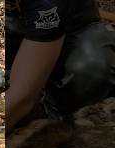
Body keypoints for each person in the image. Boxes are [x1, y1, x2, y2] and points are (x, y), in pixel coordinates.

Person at [6, 0, 115, 132]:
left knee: (91, 68)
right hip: (16, 27)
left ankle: (50, 110)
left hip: (70, 35)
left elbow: (20, 99)